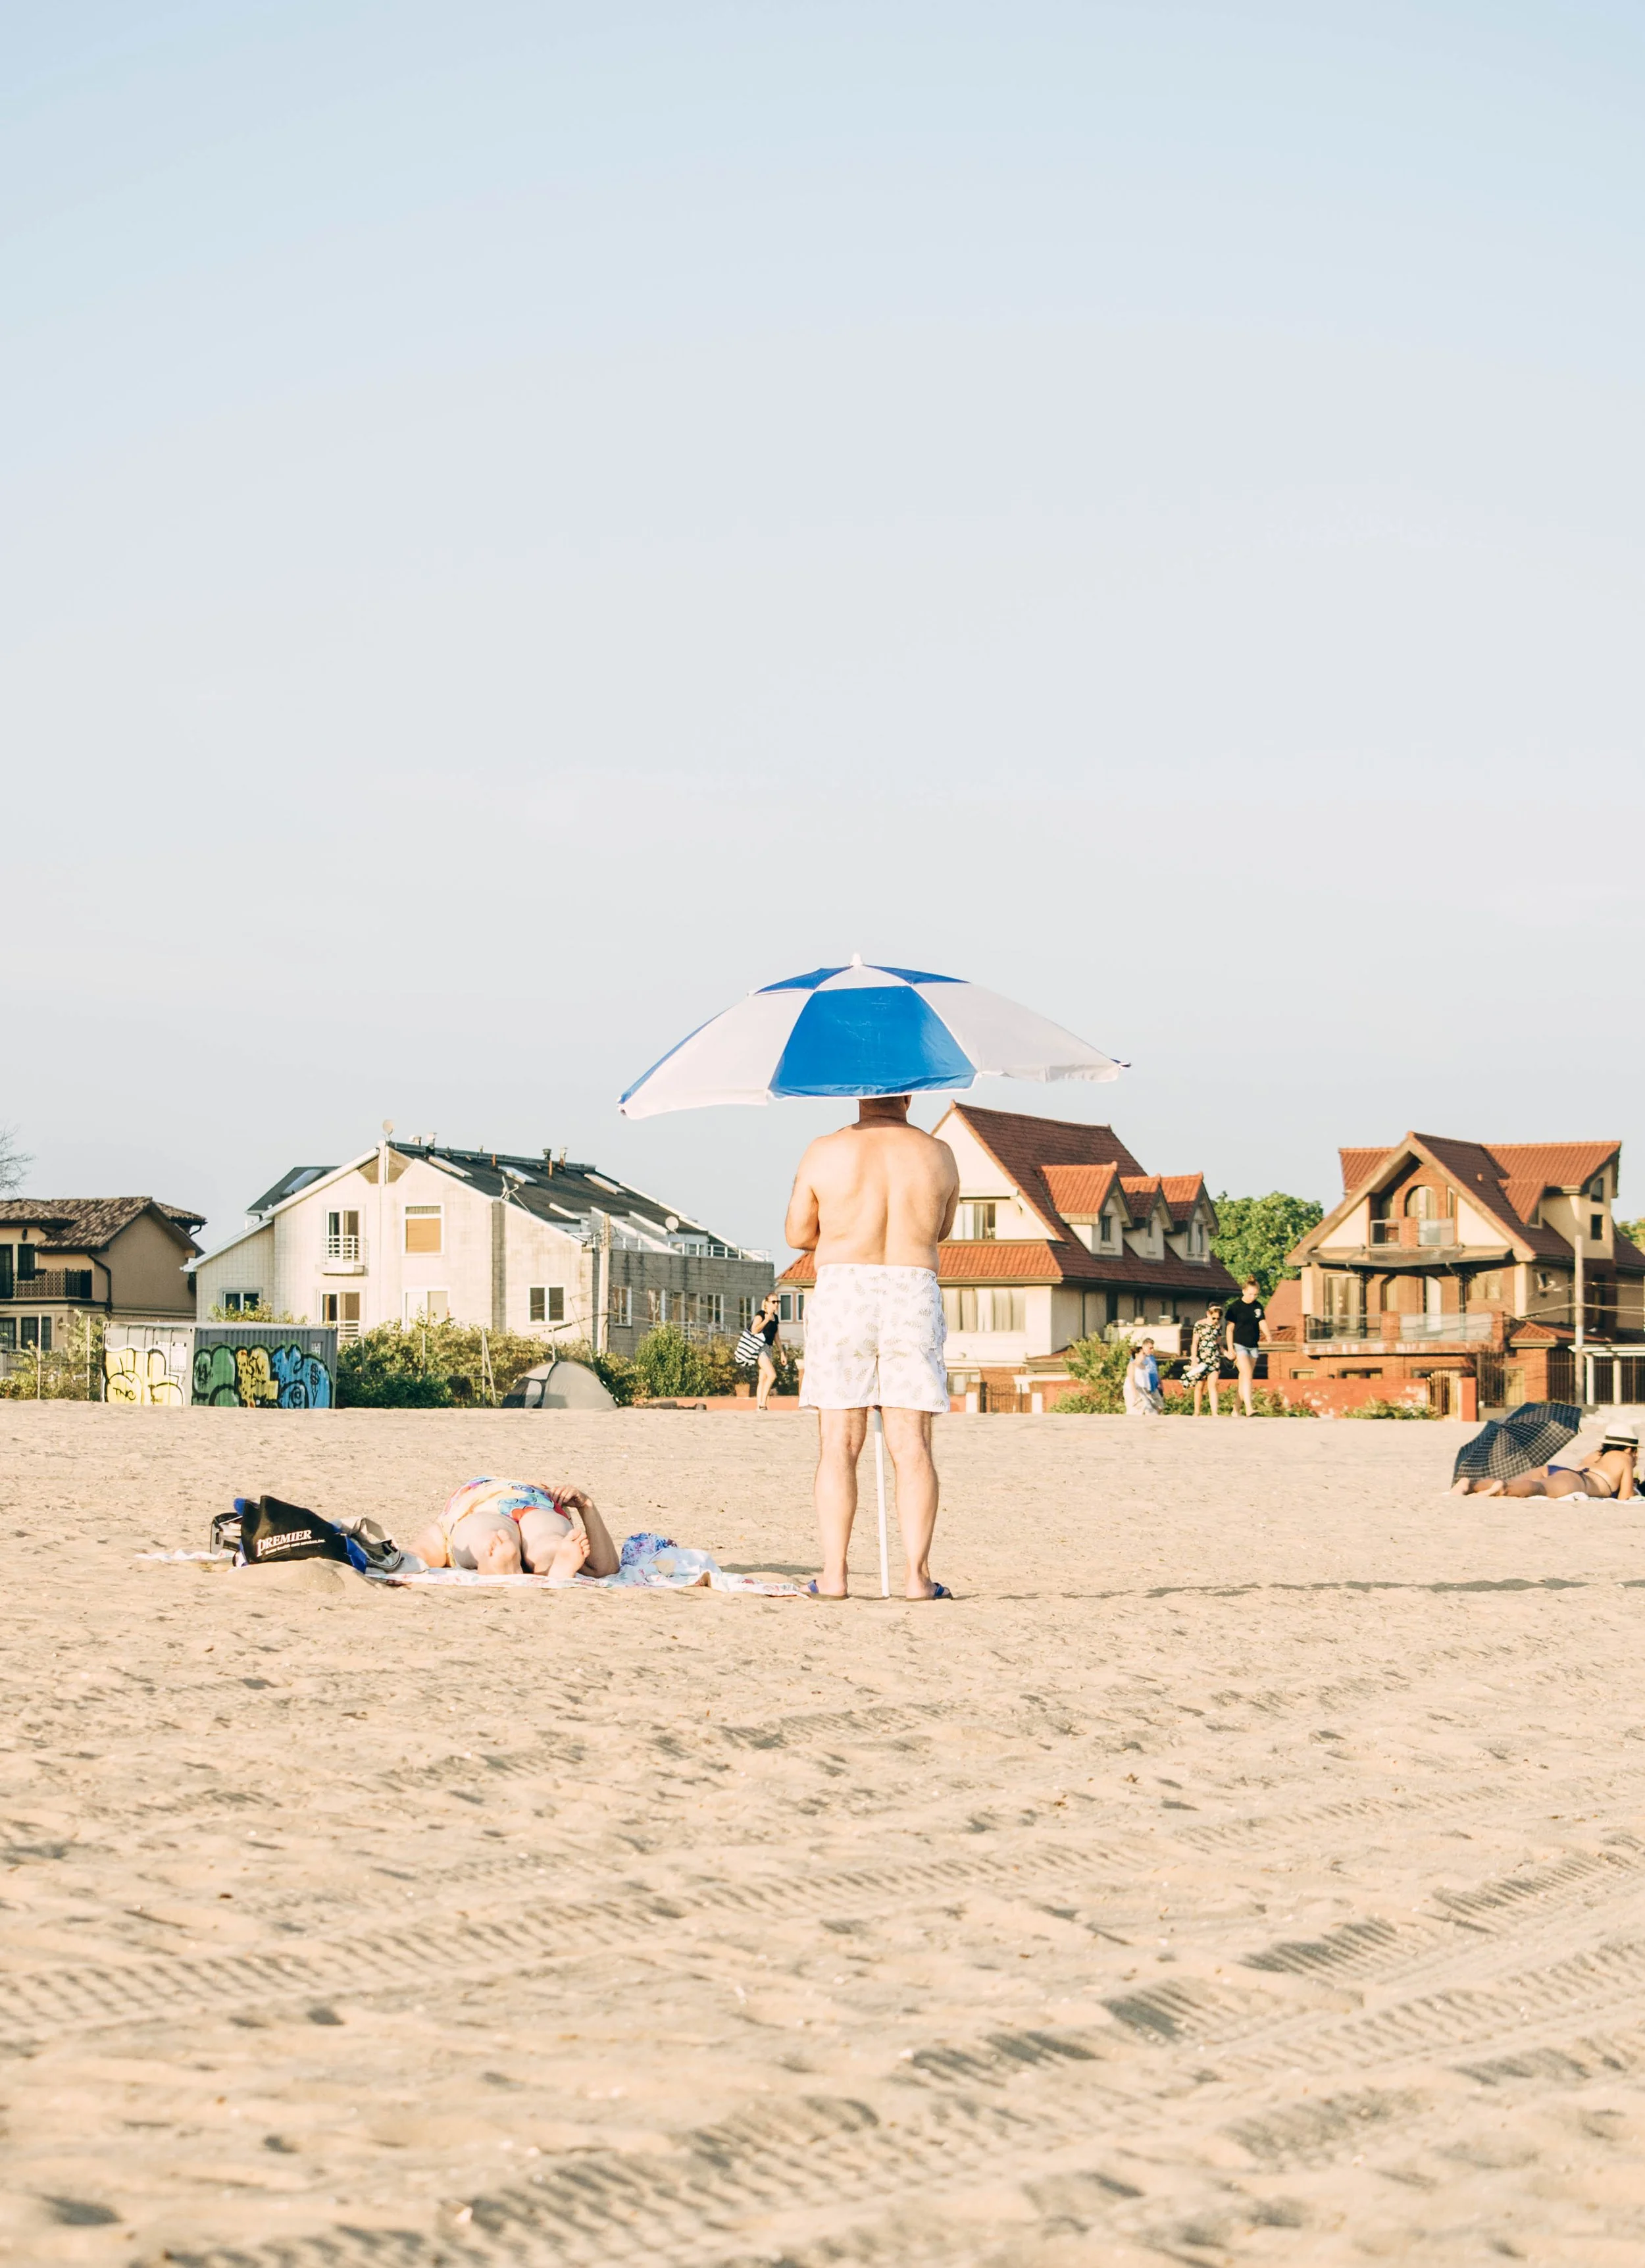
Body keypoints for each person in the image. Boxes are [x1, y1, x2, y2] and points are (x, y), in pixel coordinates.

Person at [784, 1094, 959, 1600]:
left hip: (844, 1286)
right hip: (912, 1285)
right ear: (910, 1094)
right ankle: (916, 1577)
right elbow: (940, 1228)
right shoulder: (940, 1153)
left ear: (857, 1091)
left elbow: (798, 1233)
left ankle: (835, 1575)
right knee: (913, 1445)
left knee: (839, 1443)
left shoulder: (824, 1150)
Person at [407, 1478, 623, 1580]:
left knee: (487, 1538)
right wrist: (587, 1506)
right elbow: (604, 1569)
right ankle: (553, 1563)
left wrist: (421, 1551)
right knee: (548, 1541)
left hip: (479, 1507)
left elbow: (416, 1556)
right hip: (540, 1505)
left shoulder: (455, 1509)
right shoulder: (543, 1491)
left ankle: (493, 1561)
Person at [1457, 1427, 1638, 1501]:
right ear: (1630, 1449)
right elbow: (1625, 1497)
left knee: (1516, 1482)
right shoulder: (1625, 1459)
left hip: (1558, 1471)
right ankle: (1501, 1488)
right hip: (1579, 1482)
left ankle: (1471, 1485)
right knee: (1538, 1489)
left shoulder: (1596, 1454)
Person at [1224, 1276, 1265, 1417]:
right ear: (1243, 1291)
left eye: (1255, 1294)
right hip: (1239, 1344)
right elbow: (1229, 1329)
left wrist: (1268, 1334)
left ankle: (1236, 1410)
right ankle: (1249, 1408)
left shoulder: (1258, 1306)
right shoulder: (1235, 1308)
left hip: (1253, 1346)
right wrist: (1230, 1349)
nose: (1253, 1297)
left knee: (1244, 1378)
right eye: (1250, 1294)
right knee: (1247, 1374)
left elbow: (1262, 1322)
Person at [1186, 1304, 1225, 1417]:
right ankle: (1197, 1411)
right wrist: (1193, 1359)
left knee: (1212, 1385)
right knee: (1199, 1386)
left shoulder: (1218, 1327)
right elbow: (1195, 1343)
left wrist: (1227, 1353)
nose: (1216, 1320)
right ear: (1208, 1314)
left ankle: (1214, 1412)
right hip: (1201, 1359)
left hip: (1214, 1358)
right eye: (1214, 1318)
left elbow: (1218, 1344)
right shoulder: (1199, 1325)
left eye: (1218, 1318)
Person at [754, 1291, 782, 1411]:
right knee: (772, 1375)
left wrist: (782, 1353)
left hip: (769, 1349)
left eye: (778, 1302)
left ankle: (758, 1406)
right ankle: (763, 1404)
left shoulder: (775, 1318)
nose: (776, 1304)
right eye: (774, 1302)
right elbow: (754, 1330)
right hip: (760, 1348)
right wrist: (766, 1320)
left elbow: (777, 1337)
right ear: (767, 1303)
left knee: (763, 1378)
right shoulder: (761, 1314)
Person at [1123, 1337, 1165, 1416]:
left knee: (1158, 1407)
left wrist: (1160, 1383)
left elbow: (1155, 1371)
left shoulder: (1151, 1358)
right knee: (1142, 1408)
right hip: (1137, 1389)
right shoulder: (1134, 1363)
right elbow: (1132, 1379)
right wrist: (1135, 1393)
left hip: (1151, 1388)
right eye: (1150, 1348)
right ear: (1144, 1347)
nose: (1152, 1350)